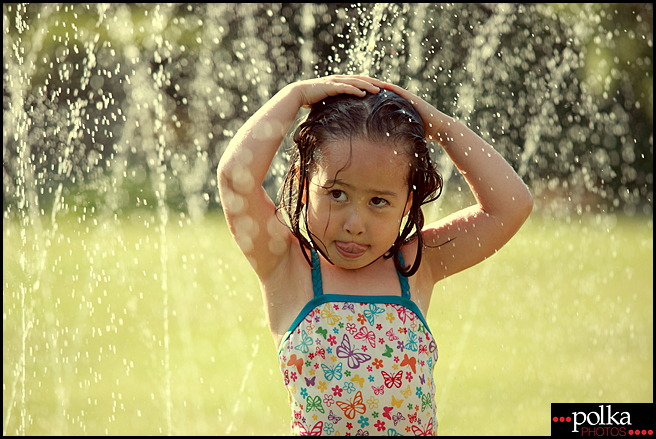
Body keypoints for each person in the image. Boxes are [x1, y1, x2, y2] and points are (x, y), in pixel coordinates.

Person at [217, 75, 533, 435]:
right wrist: (295, 95)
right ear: (305, 187)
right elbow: (235, 178)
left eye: (378, 201)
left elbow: (511, 205)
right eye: (336, 194)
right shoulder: (288, 266)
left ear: (407, 204)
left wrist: (442, 127)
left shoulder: (417, 266)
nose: (354, 223)